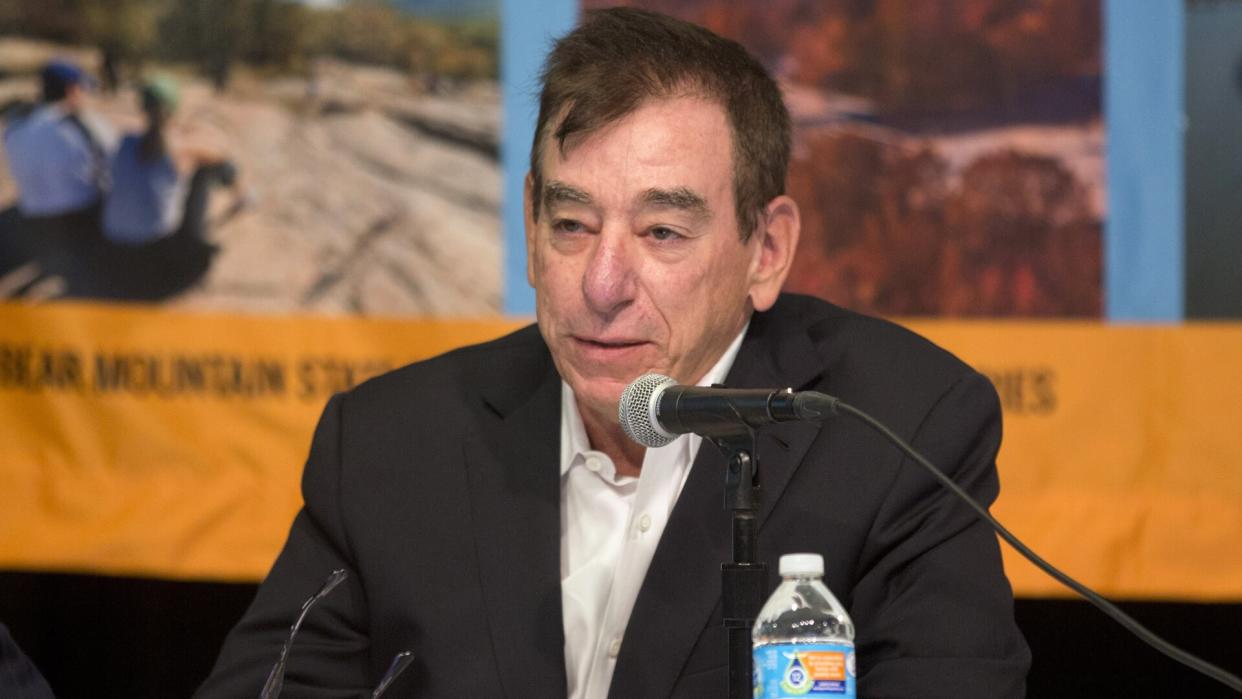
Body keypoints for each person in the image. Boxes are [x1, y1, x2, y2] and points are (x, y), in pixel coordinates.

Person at [198, 8, 1030, 698]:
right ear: (529, 226)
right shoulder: (389, 444)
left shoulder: (899, 430)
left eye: (662, 231)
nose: (602, 283)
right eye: (571, 224)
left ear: (766, 249)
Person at [99, 76, 243, 295]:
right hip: (158, 256)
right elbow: (222, 155)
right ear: (174, 110)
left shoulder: (125, 141)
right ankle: (236, 203)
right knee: (203, 173)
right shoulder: (181, 148)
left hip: (115, 248)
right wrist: (190, 132)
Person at [3, 60, 115, 273]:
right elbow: (114, 166)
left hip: (33, 219)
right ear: (72, 90)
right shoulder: (86, 124)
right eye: (84, 89)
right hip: (81, 220)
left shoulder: (14, 126)